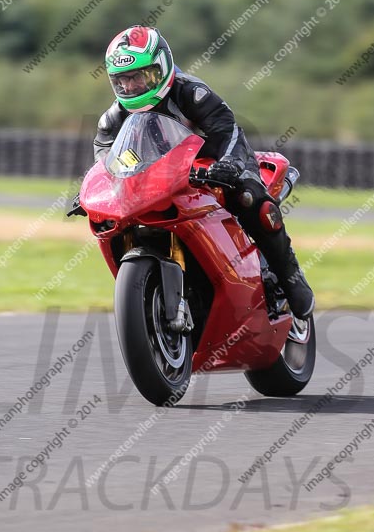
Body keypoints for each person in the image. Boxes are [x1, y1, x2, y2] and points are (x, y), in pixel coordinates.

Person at [92, 25, 314, 320]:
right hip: (162, 178)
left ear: (160, 68)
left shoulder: (192, 93)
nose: (130, 87)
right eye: (122, 80)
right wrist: (101, 190)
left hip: (214, 164)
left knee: (250, 198)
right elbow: (105, 157)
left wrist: (231, 165)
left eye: (138, 76)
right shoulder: (113, 118)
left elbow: (227, 130)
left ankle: (291, 277)